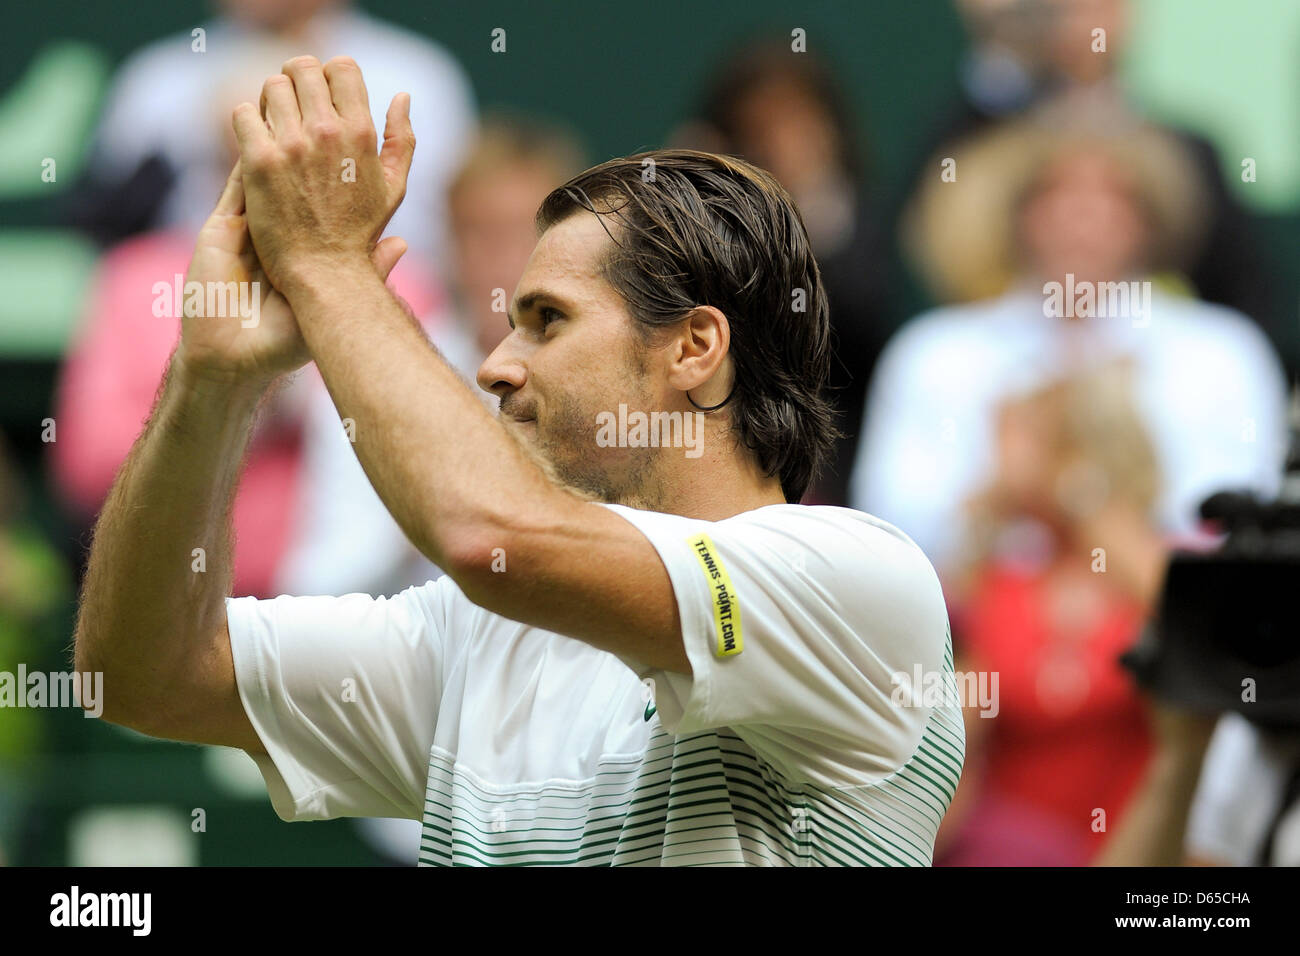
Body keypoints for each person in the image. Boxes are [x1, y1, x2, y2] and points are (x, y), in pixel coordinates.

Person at [73, 56, 964, 866]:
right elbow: (140, 675)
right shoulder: (469, 640)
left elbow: (486, 534)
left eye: (546, 321)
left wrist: (326, 267)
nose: (497, 365)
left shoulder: (858, 585)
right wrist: (210, 382)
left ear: (694, 348)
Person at [851, 118, 1289, 577]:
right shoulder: (935, 354)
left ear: (1149, 220)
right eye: (1056, 195)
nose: (1081, 218)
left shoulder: (1222, 353)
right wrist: (1002, 492)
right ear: (1018, 215)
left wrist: (1076, 489)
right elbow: (887, 536)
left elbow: (1236, 531)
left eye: (1112, 197)